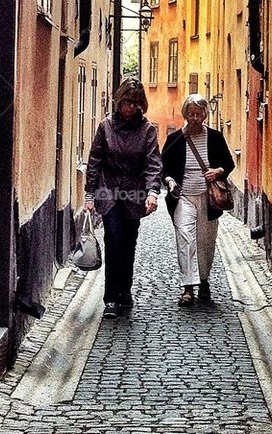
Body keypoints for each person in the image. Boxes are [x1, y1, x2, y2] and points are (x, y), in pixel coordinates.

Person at [84, 78, 162, 318]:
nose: (129, 107)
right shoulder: (106, 126)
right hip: (108, 190)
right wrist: (90, 193)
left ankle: (125, 291)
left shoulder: (147, 130)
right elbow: (95, 159)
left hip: (134, 192)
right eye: (126, 102)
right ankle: (111, 299)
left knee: (129, 243)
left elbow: (153, 163)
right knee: (114, 239)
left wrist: (152, 192)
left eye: (134, 103)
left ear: (141, 105)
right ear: (119, 101)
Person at [161, 94, 235, 306]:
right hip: (183, 196)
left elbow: (229, 163)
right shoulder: (175, 139)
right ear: (185, 114)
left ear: (205, 115)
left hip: (208, 197)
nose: (194, 118)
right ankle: (188, 288)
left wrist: (218, 171)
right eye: (190, 114)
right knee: (186, 239)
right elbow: (162, 167)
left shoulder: (215, 137)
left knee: (205, 242)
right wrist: (170, 180)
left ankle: (203, 280)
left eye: (198, 114)